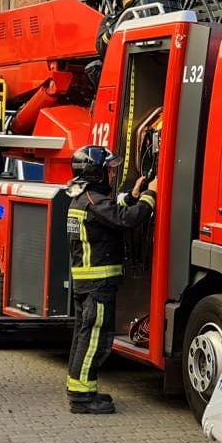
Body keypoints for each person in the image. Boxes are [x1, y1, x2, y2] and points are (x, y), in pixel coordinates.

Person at [63, 145, 156, 414]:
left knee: (84, 338)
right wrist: (151, 195)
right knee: (94, 340)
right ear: (96, 172)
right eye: (110, 170)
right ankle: (82, 399)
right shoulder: (92, 202)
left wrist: (134, 195)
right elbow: (126, 220)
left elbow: (112, 212)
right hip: (98, 285)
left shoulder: (84, 198)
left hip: (88, 284)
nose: (112, 175)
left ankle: (81, 389)